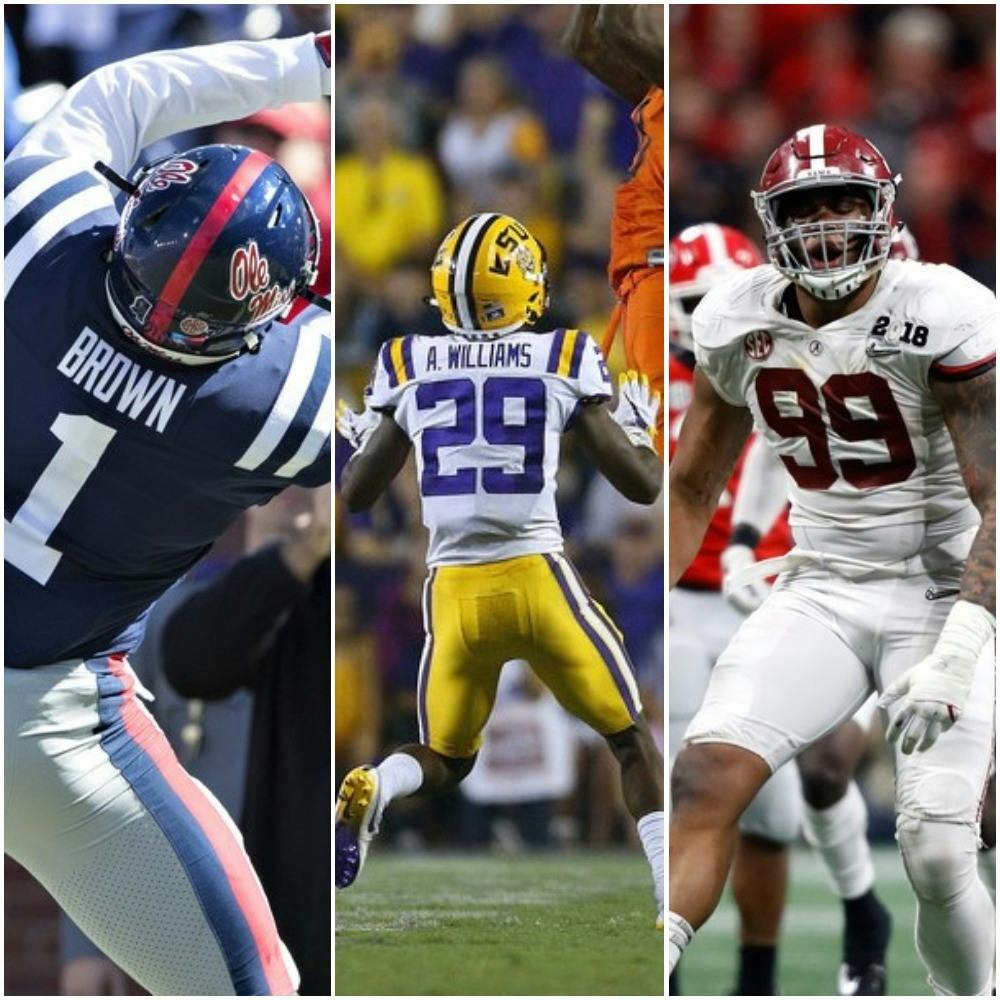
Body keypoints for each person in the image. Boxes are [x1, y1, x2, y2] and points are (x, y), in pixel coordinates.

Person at [4, 31, 332, 996]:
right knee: (254, 986)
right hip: (44, 727)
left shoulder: (37, 230)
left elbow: (125, 89)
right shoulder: (282, 399)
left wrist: (315, 59)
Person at [668, 124, 995, 997]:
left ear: (883, 210)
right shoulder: (736, 316)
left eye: (845, 203)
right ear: (771, 221)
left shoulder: (945, 308)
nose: (826, 225)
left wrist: (960, 651)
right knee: (703, 774)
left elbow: (998, 500)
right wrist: (645, 608)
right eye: (806, 208)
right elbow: (693, 484)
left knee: (936, 845)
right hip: (821, 583)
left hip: (943, 587)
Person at [335, 212, 665, 927]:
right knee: (630, 739)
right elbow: (642, 485)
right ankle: (671, 891)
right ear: (524, 286)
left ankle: (379, 785)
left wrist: (363, 443)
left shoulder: (408, 362)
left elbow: (357, 495)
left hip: (453, 592)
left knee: (446, 757)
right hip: (537, 577)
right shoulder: (563, 354)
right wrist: (640, 427)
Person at [562, 4, 665, 453]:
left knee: (656, 427)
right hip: (636, 270)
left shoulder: (668, 81)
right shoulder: (655, 90)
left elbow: (615, 26)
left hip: (657, 266)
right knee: (644, 421)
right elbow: (581, 43)